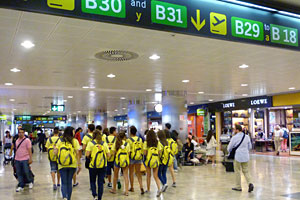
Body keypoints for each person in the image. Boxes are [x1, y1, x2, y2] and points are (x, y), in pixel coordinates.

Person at [55, 126, 81, 200]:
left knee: (64, 182)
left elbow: (55, 152)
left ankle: (64, 197)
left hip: (62, 164)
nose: (74, 132)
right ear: (71, 132)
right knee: (69, 182)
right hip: (72, 164)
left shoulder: (60, 140)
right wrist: (79, 164)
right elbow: (77, 153)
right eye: (73, 131)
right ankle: (68, 198)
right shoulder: (74, 141)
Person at [228, 124, 254, 193]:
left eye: (234, 129)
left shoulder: (234, 137)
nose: (234, 130)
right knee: (246, 170)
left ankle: (238, 186)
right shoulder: (247, 137)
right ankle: (250, 183)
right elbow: (250, 147)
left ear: (237, 130)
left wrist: (230, 152)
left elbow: (229, 148)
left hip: (237, 156)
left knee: (237, 171)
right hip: (245, 156)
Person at [86, 129, 110, 200]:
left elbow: (87, 154)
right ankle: (100, 198)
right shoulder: (104, 144)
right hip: (103, 165)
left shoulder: (91, 143)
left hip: (93, 166)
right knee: (100, 182)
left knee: (92, 181)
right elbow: (108, 155)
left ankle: (94, 195)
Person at [11, 128, 33, 192]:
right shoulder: (16, 141)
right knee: (18, 172)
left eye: (22, 132)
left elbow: (29, 150)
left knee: (26, 171)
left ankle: (30, 181)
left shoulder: (27, 140)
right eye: (19, 132)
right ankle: (21, 185)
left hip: (25, 159)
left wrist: (30, 158)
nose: (20, 134)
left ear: (24, 133)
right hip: (17, 159)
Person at [110, 132, 130, 196]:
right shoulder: (127, 144)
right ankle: (126, 191)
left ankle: (114, 189)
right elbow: (129, 153)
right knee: (126, 176)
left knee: (115, 175)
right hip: (125, 161)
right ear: (124, 137)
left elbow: (113, 153)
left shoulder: (116, 143)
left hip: (117, 161)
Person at [144, 130, 162, 197]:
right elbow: (160, 152)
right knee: (155, 176)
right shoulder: (158, 143)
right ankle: (159, 189)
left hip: (148, 161)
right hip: (156, 161)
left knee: (148, 175)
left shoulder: (146, 143)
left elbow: (145, 153)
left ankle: (148, 189)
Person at [127, 126, 144, 194]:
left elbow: (128, 149)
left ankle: (132, 187)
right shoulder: (140, 139)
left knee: (131, 173)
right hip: (139, 157)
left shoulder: (129, 140)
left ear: (130, 132)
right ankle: (141, 187)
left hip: (131, 158)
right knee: (138, 173)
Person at [82, 124, 96, 189]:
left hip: (89, 156)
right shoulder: (97, 136)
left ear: (88, 129)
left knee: (91, 171)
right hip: (97, 155)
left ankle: (92, 185)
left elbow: (84, 147)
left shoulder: (86, 137)